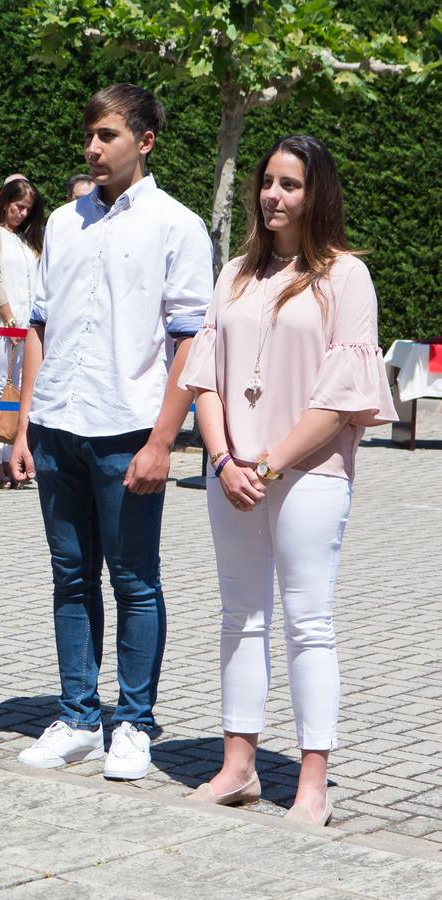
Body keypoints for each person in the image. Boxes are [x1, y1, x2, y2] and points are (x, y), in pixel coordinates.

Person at [179, 135, 395, 825]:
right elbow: (204, 375)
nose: (274, 195)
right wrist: (222, 461)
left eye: (291, 185)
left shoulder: (345, 277)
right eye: (268, 181)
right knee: (239, 617)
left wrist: (269, 464)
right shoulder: (236, 271)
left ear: (317, 193)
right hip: (230, 472)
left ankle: (312, 783)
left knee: (309, 623)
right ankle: (238, 765)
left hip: (307, 474)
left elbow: (340, 396)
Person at [9, 84, 213, 780]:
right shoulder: (64, 223)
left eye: (107, 136)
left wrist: (163, 440)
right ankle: (77, 717)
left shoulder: (178, 226)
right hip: (59, 426)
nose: (92, 148)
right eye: (90, 135)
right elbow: (39, 328)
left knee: (134, 582)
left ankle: (133, 722)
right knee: (69, 578)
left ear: (144, 142)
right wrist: (24, 427)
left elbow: (190, 344)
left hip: (128, 431)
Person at [0, 177, 44, 485]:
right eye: (18, 207)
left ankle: (11, 457)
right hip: (1, 323)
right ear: (6, 202)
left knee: (19, 390)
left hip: (26, 327)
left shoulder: (28, 240)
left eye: (27, 210)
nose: (22, 214)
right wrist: (6, 312)